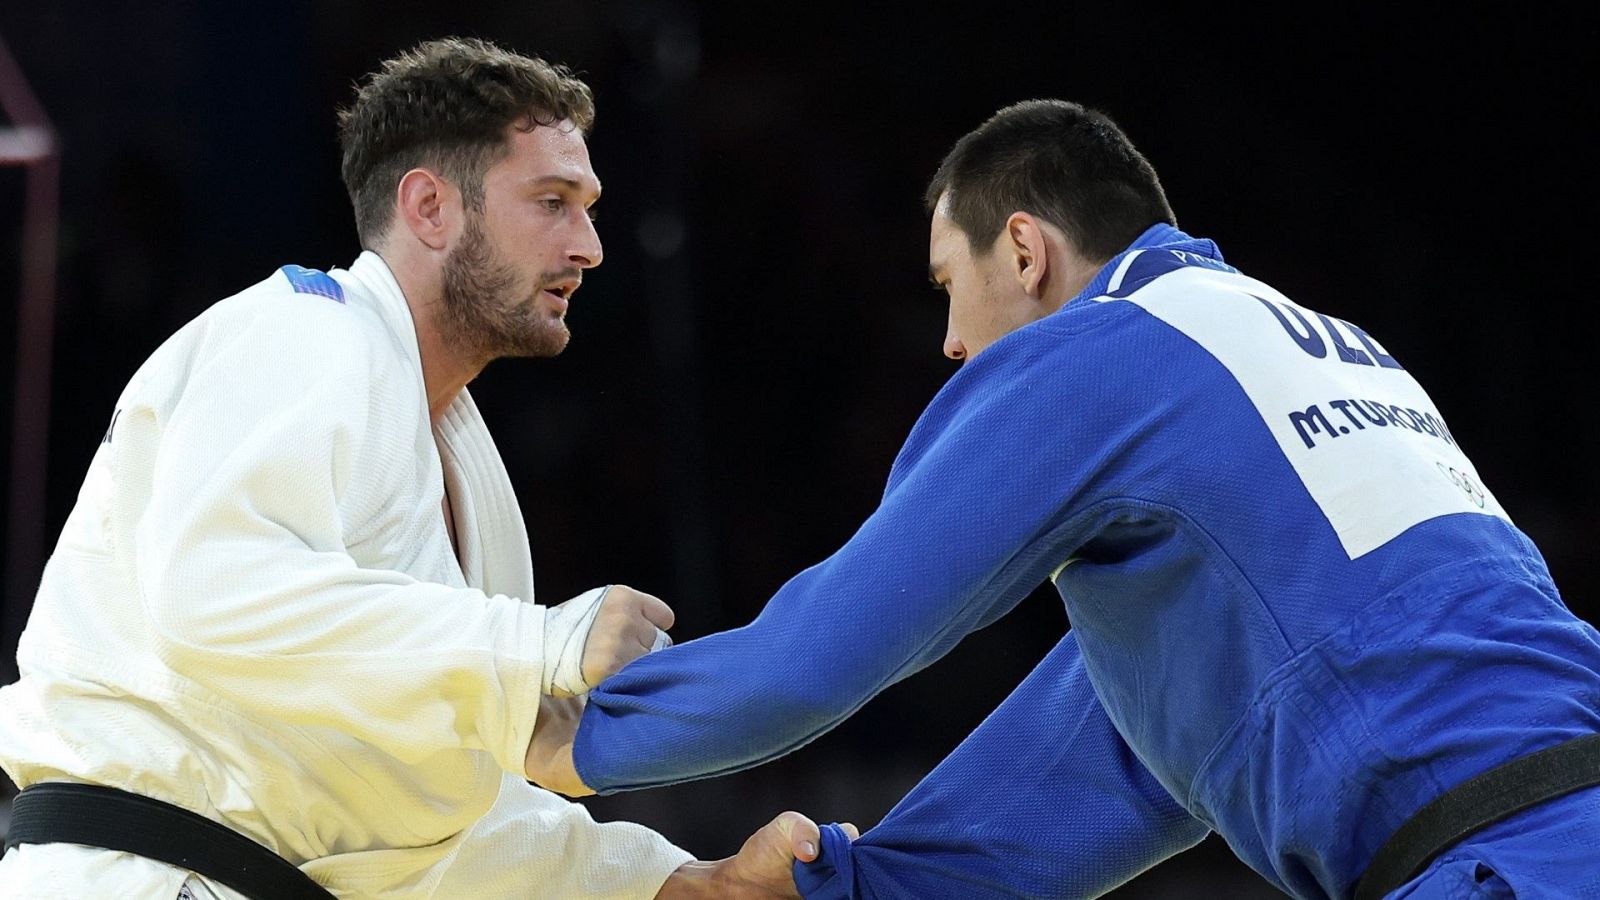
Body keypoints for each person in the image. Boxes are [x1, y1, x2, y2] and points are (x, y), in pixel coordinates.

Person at [525, 100, 1600, 898]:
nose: (949, 342)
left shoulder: (1108, 350)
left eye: (949, 283)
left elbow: (817, 654)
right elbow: (1109, 766)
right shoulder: (1323, 354)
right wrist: (841, 886)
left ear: (1027, 251)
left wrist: (566, 734)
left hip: (1499, 863)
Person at [0, 37, 828, 899]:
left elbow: (431, 821)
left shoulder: (459, 451)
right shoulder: (305, 329)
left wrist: (682, 883)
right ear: (430, 207)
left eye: (588, 208)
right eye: (551, 201)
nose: (590, 246)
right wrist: (532, 647)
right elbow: (213, 594)